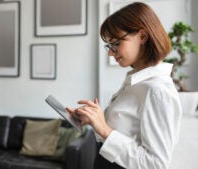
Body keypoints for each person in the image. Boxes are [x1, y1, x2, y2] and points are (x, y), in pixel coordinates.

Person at [66, 2, 182, 169]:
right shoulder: (136, 83)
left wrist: (104, 129)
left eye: (116, 43)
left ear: (142, 36)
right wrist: (94, 121)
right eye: (109, 45)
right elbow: (125, 134)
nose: (110, 52)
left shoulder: (158, 91)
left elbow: (156, 164)